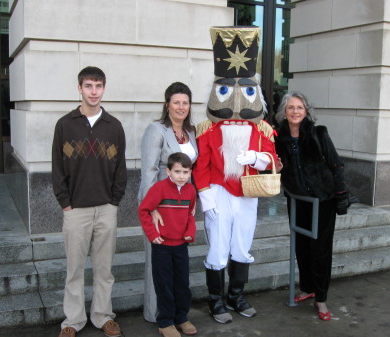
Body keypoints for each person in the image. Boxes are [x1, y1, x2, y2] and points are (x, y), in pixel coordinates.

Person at [193, 26, 278, 324]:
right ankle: (216, 301)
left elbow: (273, 160)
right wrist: (206, 197)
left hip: (248, 194)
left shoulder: (262, 130)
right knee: (217, 249)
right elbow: (201, 165)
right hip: (218, 192)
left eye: (247, 89)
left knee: (242, 245)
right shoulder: (208, 131)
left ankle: (236, 295)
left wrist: (256, 157)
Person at [52, 66, 127, 337]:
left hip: (106, 208)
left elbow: (121, 168)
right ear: (79, 88)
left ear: (104, 88)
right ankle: (72, 320)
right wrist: (65, 202)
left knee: (104, 269)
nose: (93, 91)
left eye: (98, 86)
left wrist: (114, 201)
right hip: (75, 209)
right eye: (88, 86)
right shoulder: (65, 124)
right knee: (74, 269)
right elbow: (57, 168)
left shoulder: (114, 126)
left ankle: (103, 316)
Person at [274, 91, 348, 321]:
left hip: (323, 199)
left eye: (300, 108)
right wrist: (274, 167)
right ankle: (308, 288)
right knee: (302, 247)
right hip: (297, 200)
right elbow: (274, 167)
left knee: (320, 251)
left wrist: (341, 194)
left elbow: (336, 163)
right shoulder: (278, 138)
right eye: (291, 107)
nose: (295, 111)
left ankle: (321, 299)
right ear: (284, 112)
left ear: (306, 111)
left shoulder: (318, 132)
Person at [137, 82, 198, 323]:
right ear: (167, 105)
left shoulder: (190, 133)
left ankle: (177, 314)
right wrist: (151, 209)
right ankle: (156, 315)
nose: (181, 107)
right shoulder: (156, 130)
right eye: (176, 102)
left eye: (185, 102)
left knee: (176, 267)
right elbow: (149, 171)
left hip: (182, 208)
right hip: (161, 208)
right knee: (158, 264)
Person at [138, 152, 197, 337]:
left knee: (182, 283)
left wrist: (189, 233)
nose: (181, 176)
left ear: (190, 172)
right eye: (177, 171)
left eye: (185, 172)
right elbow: (144, 210)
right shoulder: (159, 188)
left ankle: (181, 318)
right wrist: (152, 234)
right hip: (162, 245)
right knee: (164, 284)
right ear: (168, 171)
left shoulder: (191, 191)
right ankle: (165, 322)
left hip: (181, 246)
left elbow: (190, 215)